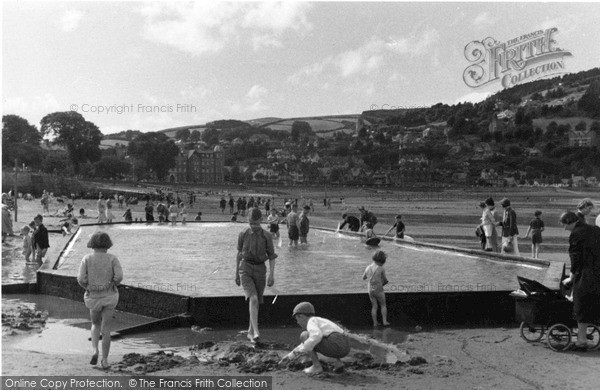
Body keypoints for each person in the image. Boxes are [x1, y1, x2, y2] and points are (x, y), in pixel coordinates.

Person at [77, 232, 123, 369]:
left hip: (93, 297)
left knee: (95, 324)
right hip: (109, 296)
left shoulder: (87, 258)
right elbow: (119, 276)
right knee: (106, 329)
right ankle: (105, 360)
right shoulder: (112, 258)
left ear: (92, 243)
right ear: (108, 244)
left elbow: (80, 279)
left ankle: (95, 350)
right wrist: (113, 284)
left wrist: (87, 287)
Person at [235, 208, 277, 343]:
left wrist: (271, 275)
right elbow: (239, 254)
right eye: (251, 223)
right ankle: (256, 332)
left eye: (256, 223)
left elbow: (271, 256)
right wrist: (236, 273)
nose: (253, 226)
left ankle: (250, 332)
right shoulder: (243, 233)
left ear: (261, 221)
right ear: (248, 221)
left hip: (260, 269)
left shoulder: (267, 236)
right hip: (245, 268)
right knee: (253, 299)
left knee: (256, 301)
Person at [559, 211, 600, 351]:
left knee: (580, 305)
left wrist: (571, 277)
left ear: (571, 222)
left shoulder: (576, 234)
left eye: (565, 225)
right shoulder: (594, 229)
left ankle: (581, 341)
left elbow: (575, 259)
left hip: (586, 274)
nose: (564, 228)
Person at [279, 302, 350, 375]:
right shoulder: (322, 320)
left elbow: (315, 336)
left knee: (304, 335)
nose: (297, 322)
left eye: (297, 319)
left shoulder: (311, 321)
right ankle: (338, 363)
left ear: (302, 317)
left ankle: (316, 366)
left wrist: (302, 350)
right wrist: (290, 356)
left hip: (336, 345)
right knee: (315, 339)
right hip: (345, 347)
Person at [363, 250, 390, 327]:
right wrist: (382, 284)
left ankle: (375, 323)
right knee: (383, 305)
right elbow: (385, 280)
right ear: (382, 261)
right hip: (379, 289)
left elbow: (364, 277)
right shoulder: (381, 268)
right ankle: (384, 321)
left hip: (370, 289)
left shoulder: (368, 267)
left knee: (374, 306)